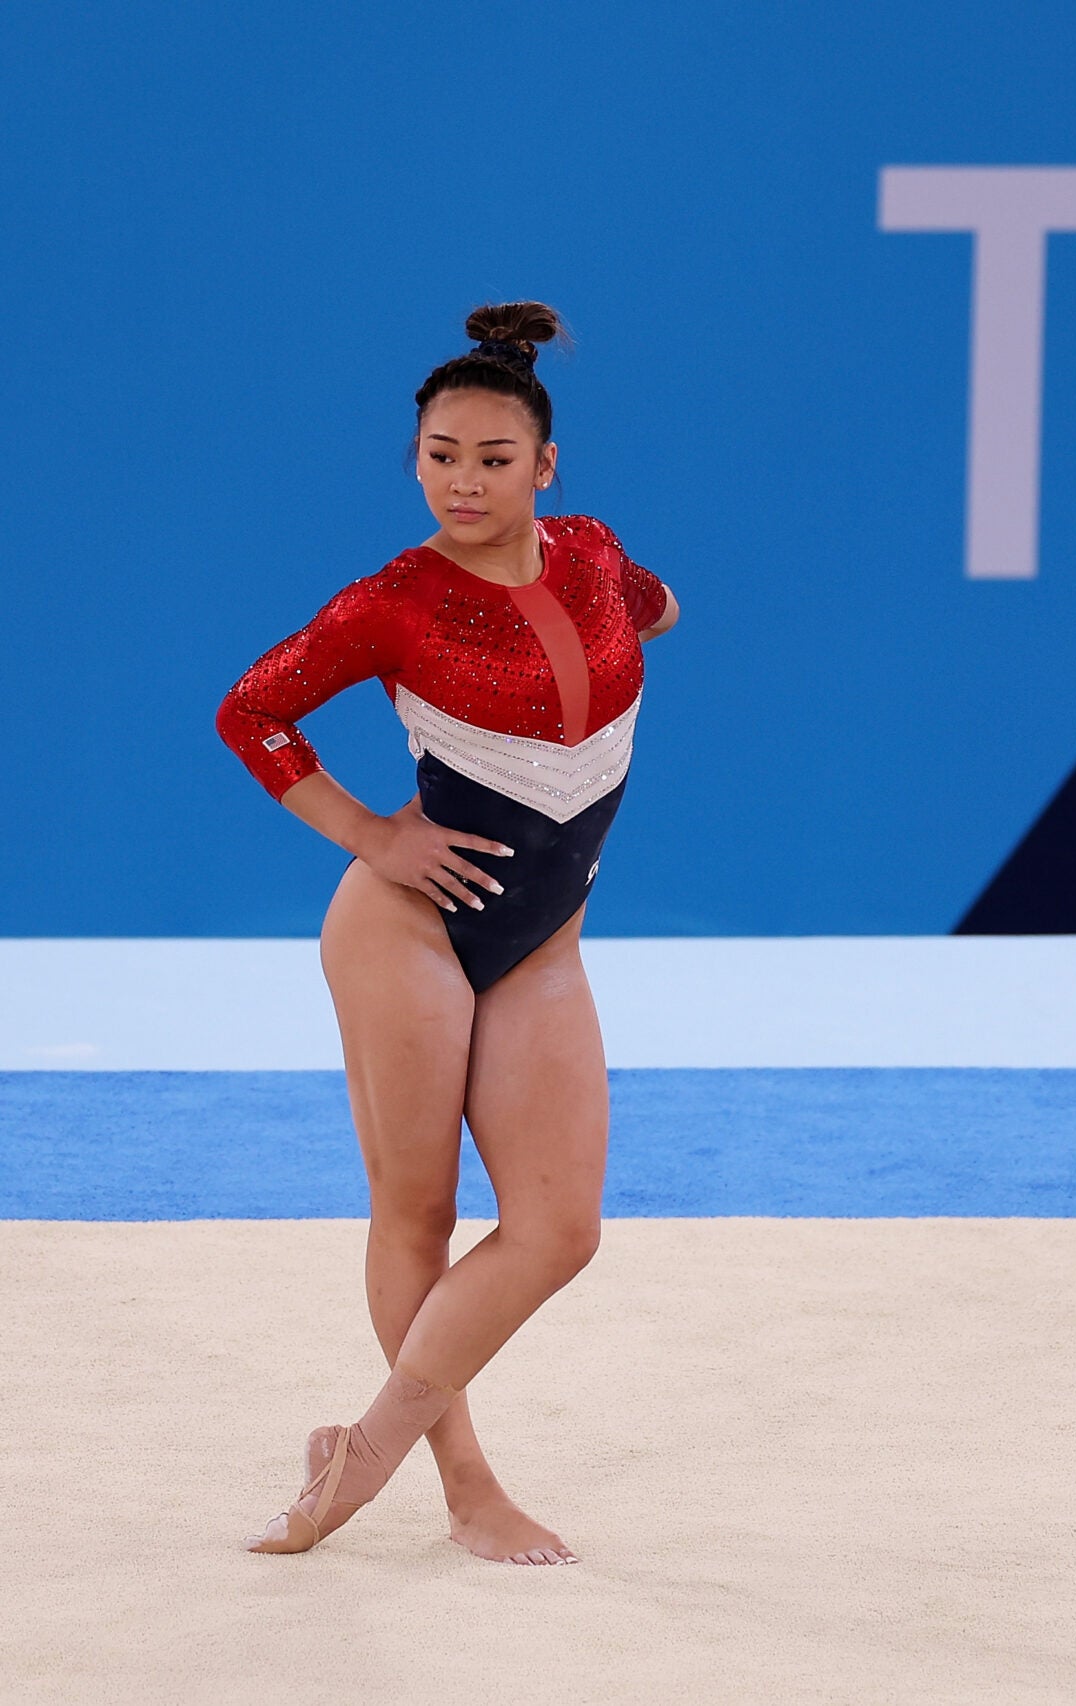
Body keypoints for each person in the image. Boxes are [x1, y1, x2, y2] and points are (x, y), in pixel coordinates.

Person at [216, 301, 677, 1564]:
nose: (462, 480)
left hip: (540, 939)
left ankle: (355, 1449)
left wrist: (626, 616)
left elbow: (651, 605)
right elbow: (252, 713)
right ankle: (462, 1484)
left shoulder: (592, 555)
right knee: (416, 1210)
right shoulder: (393, 600)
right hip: (408, 928)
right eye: (439, 455)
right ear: (414, 458)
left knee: (557, 1228)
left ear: (545, 465)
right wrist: (373, 836)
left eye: (490, 457)